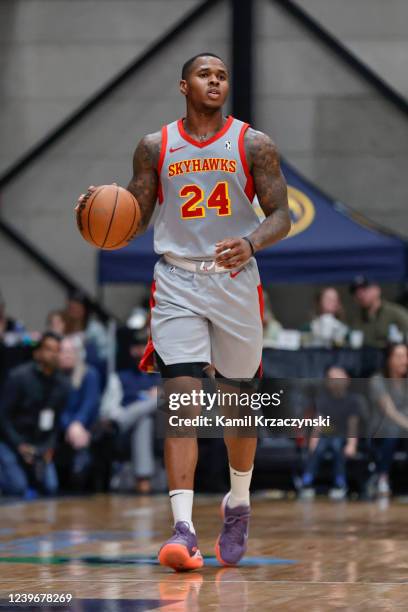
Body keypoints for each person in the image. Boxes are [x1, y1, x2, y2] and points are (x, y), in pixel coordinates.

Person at [77, 52, 290, 571]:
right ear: (183, 85)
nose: (215, 81)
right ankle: (184, 530)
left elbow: (282, 213)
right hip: (176, 279)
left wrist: (251, 241)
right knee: (182, 403)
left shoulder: (253, 144)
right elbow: (135, 211)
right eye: (205, 74)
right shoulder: (155, 146)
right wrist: (101, 208)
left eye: (221, 75)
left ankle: (238, 502)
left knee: (238, 404)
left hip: (234, 278)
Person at [0, 332, 69, 497]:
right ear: (37, 352)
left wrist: (48, 448)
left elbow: (56, 421)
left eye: (57, 350)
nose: (53, 354)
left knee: (50, 487)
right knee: (18, 488)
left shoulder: (62, 384)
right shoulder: (19, 377)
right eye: (49, 349)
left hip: (39, 445)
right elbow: (3, 416)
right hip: (12, 442)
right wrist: (19, 445)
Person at [99, 326, 159, 494]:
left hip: (160, 432)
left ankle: (124, 419)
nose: (140, 352)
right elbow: (108, 411)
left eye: (145, 347)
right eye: (136, 347)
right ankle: (143, 479)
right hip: (127, 433)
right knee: (143, 420)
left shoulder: (162, 378)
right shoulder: (119, 377)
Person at [301, 366, 361, 500]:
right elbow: (319, 422)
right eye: (332, 379)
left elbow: (353, 426)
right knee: (318, 448)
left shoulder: (353, 401)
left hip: (341, 435)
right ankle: (307, 481)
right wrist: (313, 440)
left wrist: (352, 444)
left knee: (337, 447)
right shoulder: (322, 399)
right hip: (325, 433)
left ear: (347, 380)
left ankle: (339, 482)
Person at [57, 336, 101, 491]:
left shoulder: (89, 374)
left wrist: (77, 423)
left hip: (85, 426)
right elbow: (57, 408)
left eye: (71, 351)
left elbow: (89, 404)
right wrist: (70, 425)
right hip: (62, 426)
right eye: (63, 351)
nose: (67, 355)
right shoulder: (55, 377)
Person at [369, 343, 408, 497]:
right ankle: (382, 478)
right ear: (389, 360)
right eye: (399, 356)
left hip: (403, 427)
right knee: (393, 430)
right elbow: (389, 411)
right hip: (382, 429)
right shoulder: (377, 380)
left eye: (406, 356)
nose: (404, 361)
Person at [349, 276, 408, 348]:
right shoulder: (355, 318)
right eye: (355, 292)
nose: (360, 294)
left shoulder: (396, 313)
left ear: (377, 290)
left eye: (364, 289)